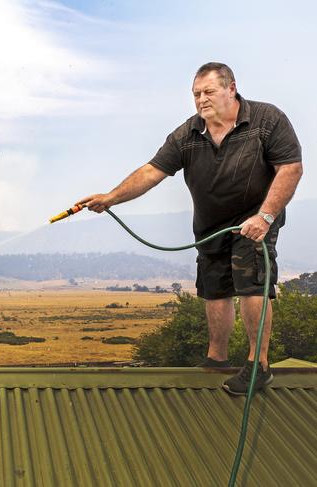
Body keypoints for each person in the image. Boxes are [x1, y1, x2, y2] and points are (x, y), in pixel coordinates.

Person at [77, 62, 303, 395]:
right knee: (214, 289)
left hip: (254, 220)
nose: (201, 100)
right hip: (209, 225)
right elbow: (152, 171)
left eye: (208, 92)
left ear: (231, 88)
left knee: (251, 281)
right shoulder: (188, 133)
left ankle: (259, 365)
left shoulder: (267, 120)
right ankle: (217, 359)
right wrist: (111, 198)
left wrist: (266, 216)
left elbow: (291, 169)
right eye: (196, 94)